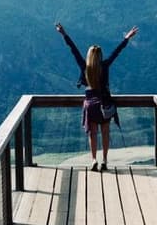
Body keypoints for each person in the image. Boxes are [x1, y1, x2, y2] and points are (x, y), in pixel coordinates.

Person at [55, 22, 139, 171]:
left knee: (92, 133)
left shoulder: (84, 67)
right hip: (104, 104)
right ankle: (105, 160)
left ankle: (94, 159)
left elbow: (73, 50)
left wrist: (64, 34)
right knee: (105, 132)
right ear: (99, 56)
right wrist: (127, 38)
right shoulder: (105, 66)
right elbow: (116, 52)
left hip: (90, 105)